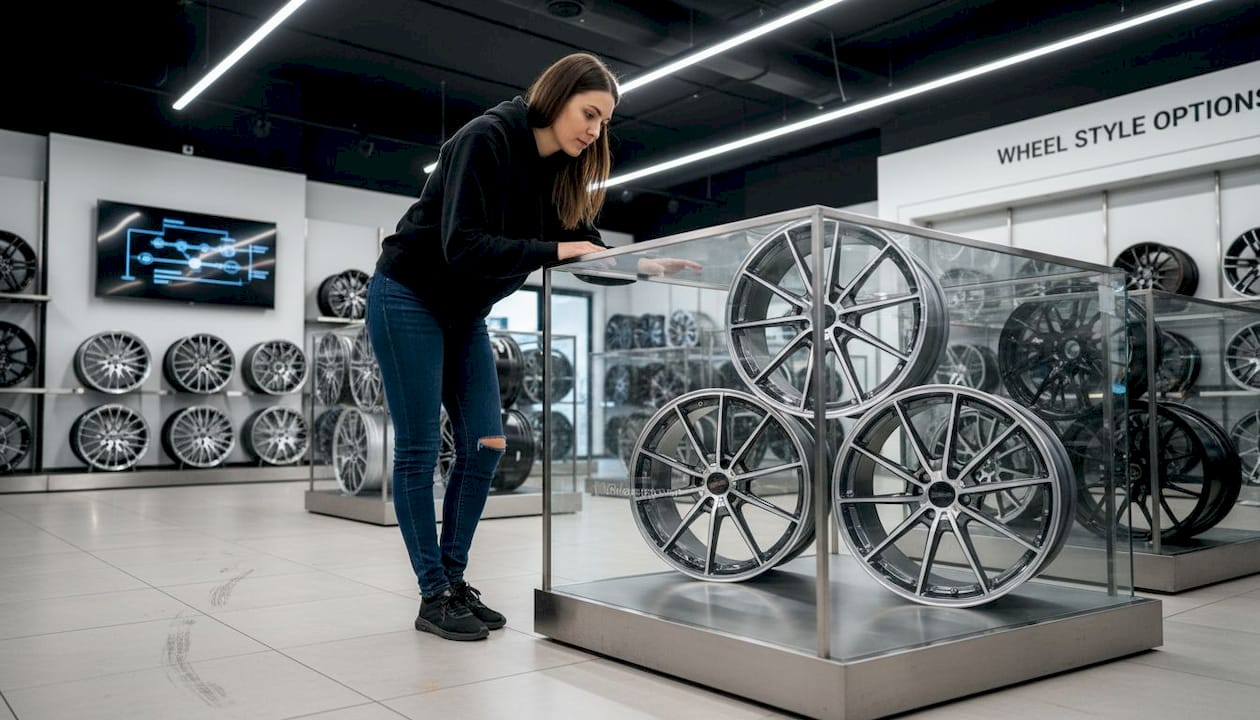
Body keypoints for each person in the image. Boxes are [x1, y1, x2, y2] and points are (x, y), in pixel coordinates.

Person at [366, 52, 631, 642]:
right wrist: (559, 252)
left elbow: (586, 247)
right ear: (557, 97)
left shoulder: (559, 169)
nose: (594, 131)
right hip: (408, 294)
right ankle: (432, 593)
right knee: (416, 451)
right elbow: (463, 245)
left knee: (486, 444)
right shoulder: (486, 138)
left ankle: (453, 581)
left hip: (466, 314)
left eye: (604, 123)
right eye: (589, 114)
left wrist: (645, 265)